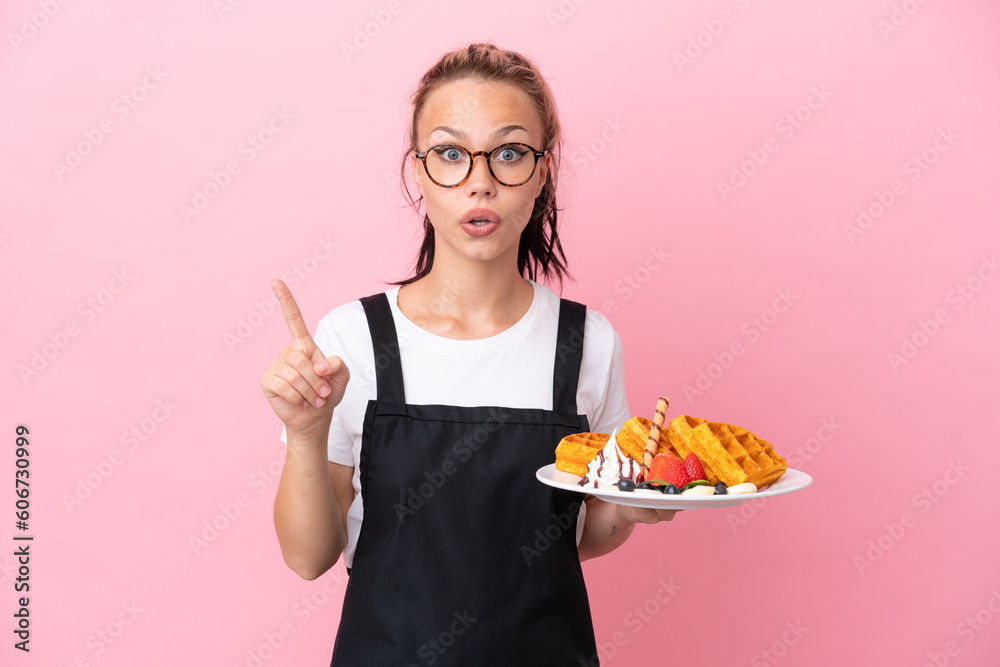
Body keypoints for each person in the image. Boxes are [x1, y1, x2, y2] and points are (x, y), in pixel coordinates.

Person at [263, 42, 678, 666]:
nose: (480, 181)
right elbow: (308, 557)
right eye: (451, 154)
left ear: (541, 173)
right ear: (419, 172)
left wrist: (635, 507)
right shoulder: (352, 340)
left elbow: (579, 536)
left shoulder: (587, 342)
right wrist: (305, 431)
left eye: (509, 153)